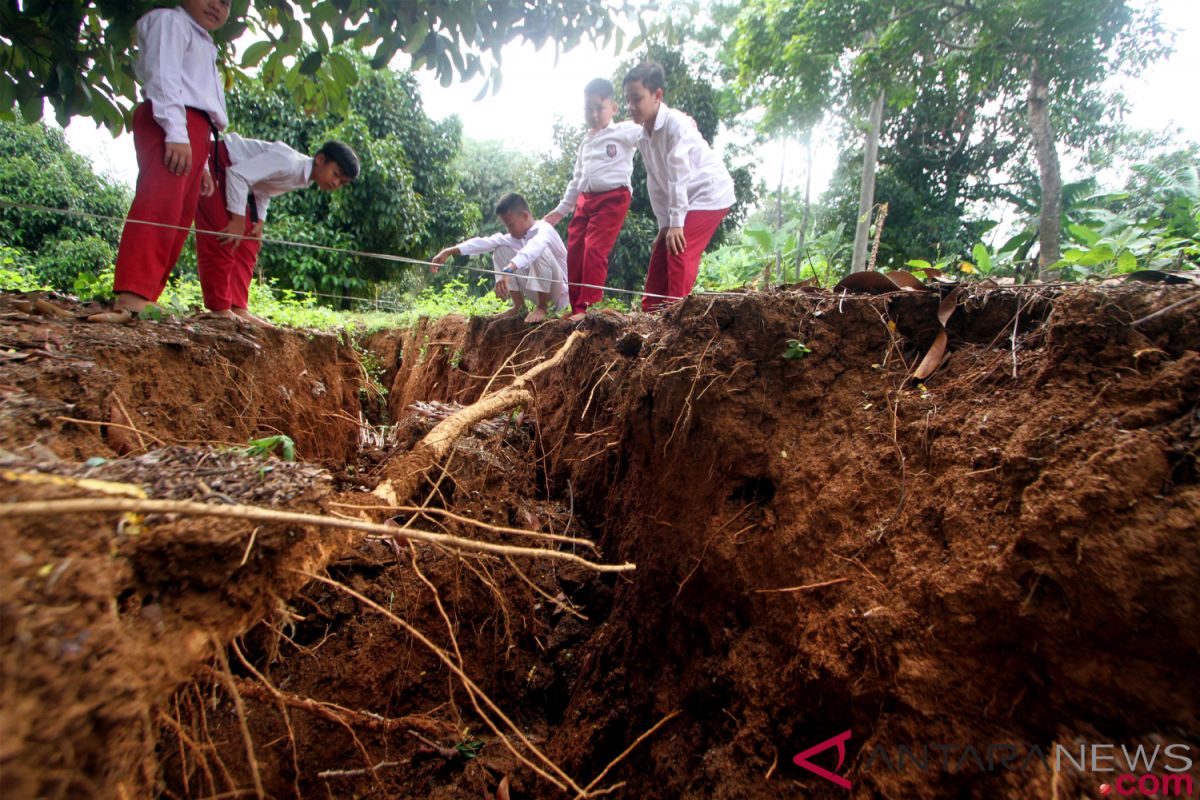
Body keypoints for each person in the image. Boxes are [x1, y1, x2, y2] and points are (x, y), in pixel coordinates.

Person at [90, 0, 232, 324]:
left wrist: (205, 162)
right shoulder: (170, 22)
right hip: (173, 121)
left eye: (226, 2)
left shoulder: (205, 43)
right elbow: (163, 76)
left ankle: (145, 296)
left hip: (194, 131)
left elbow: (204, 103)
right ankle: (131, 296)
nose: (217, 6)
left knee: (179, 216)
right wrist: (176, 131)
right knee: (159, 205)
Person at [194, 136, 359, 325]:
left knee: (249, 242)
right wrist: (238, 219)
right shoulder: (289, 163)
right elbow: (237, 174)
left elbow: (263, 189)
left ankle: (237, 306)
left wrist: (260, 221)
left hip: (242, 184)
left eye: (342, 182)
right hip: (218, 162)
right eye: (336, 174)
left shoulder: (302, 177)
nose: (336, 183)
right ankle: (219, 309)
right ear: (320, 159)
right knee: (224, 236)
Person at [622, 61, 736, 313]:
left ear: (657, 95)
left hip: (709, 193)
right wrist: (665, 225)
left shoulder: (676, 125)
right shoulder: (643, 136)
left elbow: (678, 174)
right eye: (627, 100)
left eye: (637, 99)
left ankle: (676, 317)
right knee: (662, 251)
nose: (631, 106)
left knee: (679, 250)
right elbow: (656, 182)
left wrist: (676, 223)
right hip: (683, 201)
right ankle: (650, 314)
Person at [543, 78, 639, 320]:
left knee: (594, 250)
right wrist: (561, 209)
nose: (594, 114)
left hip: (613, 198)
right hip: (585, 200)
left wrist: (680, 120)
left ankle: (590, 305)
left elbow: (654, 127)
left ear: (614, 108)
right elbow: (576, 179)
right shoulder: (585, 142)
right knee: (574, 251)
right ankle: (577, 309)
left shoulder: (625, 131)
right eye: (589, 109)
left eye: (600, 108)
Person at [431, 193, 568, 324]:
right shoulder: (515, 238)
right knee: (500, 250)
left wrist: (509, 269)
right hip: (539, 293)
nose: (509, 230)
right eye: (506, 226)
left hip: (560, 294)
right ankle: (519, 306)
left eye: (511, 225)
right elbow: (484, 242)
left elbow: (533, 248)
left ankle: (542, 308)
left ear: (525, 216)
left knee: (539, 251)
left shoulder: (544, 230)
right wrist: (449, 251)